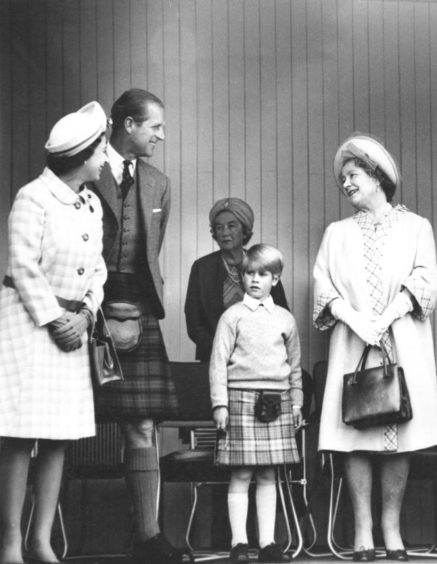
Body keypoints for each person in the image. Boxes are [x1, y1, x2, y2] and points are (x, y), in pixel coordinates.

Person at [313, 133, 437, 562]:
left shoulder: (417, 226)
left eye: (353, 174)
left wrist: (384, 319)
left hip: (402, 341)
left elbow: (424, 279)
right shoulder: (337, 232)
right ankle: (363, 529)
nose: (346, 183)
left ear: (378, 177)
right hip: (354, 344)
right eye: (342, 178)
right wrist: (356, 321)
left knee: (401, 433)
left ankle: (392, 528)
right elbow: (323, 287)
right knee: (356, 435)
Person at [0, 102, 108, 564]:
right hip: (28, 325)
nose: (105, 158)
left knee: (59, 435)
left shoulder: (90, 203)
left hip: (73, 328)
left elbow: (97, 269)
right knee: (22, 434)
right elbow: (21, 266)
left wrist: (85, 314)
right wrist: (53, 319)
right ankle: (9, 542)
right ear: (83, 154)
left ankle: (40, 540)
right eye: (101, 149)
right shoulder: (33, 197)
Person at [88, 89, 188, 564]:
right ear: (128, 124)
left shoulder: (159, 183)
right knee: (61, 423)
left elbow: (150, 252)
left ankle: (148, 538)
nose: (160, 136)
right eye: (155, 127)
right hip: (87, 306)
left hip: (139, 304)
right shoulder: (85, 169)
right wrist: (91, 307)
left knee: (143, 424)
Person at [210, 244, 303, 564]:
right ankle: (239, 543)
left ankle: (268, 543)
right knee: (241, 474)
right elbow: (218, 363)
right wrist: (219, 404)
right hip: (239, 399)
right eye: (249, 273)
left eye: (263, 274)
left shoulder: (285, 319)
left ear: (275, 279)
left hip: (277, 401)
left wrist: (296, 403)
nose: (255, 279)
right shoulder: (231, 316)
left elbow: (294, 367)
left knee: (268, 475)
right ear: (241, 276)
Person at [185, 197, 289, 362]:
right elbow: (194, 322)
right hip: (215, 357)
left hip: (261, 358)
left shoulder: (264, 263)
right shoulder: (202, 268)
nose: (225, 232)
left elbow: (281, 315)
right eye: (219, 227)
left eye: (231, 226)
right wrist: (222, 349)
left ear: (245, 230)